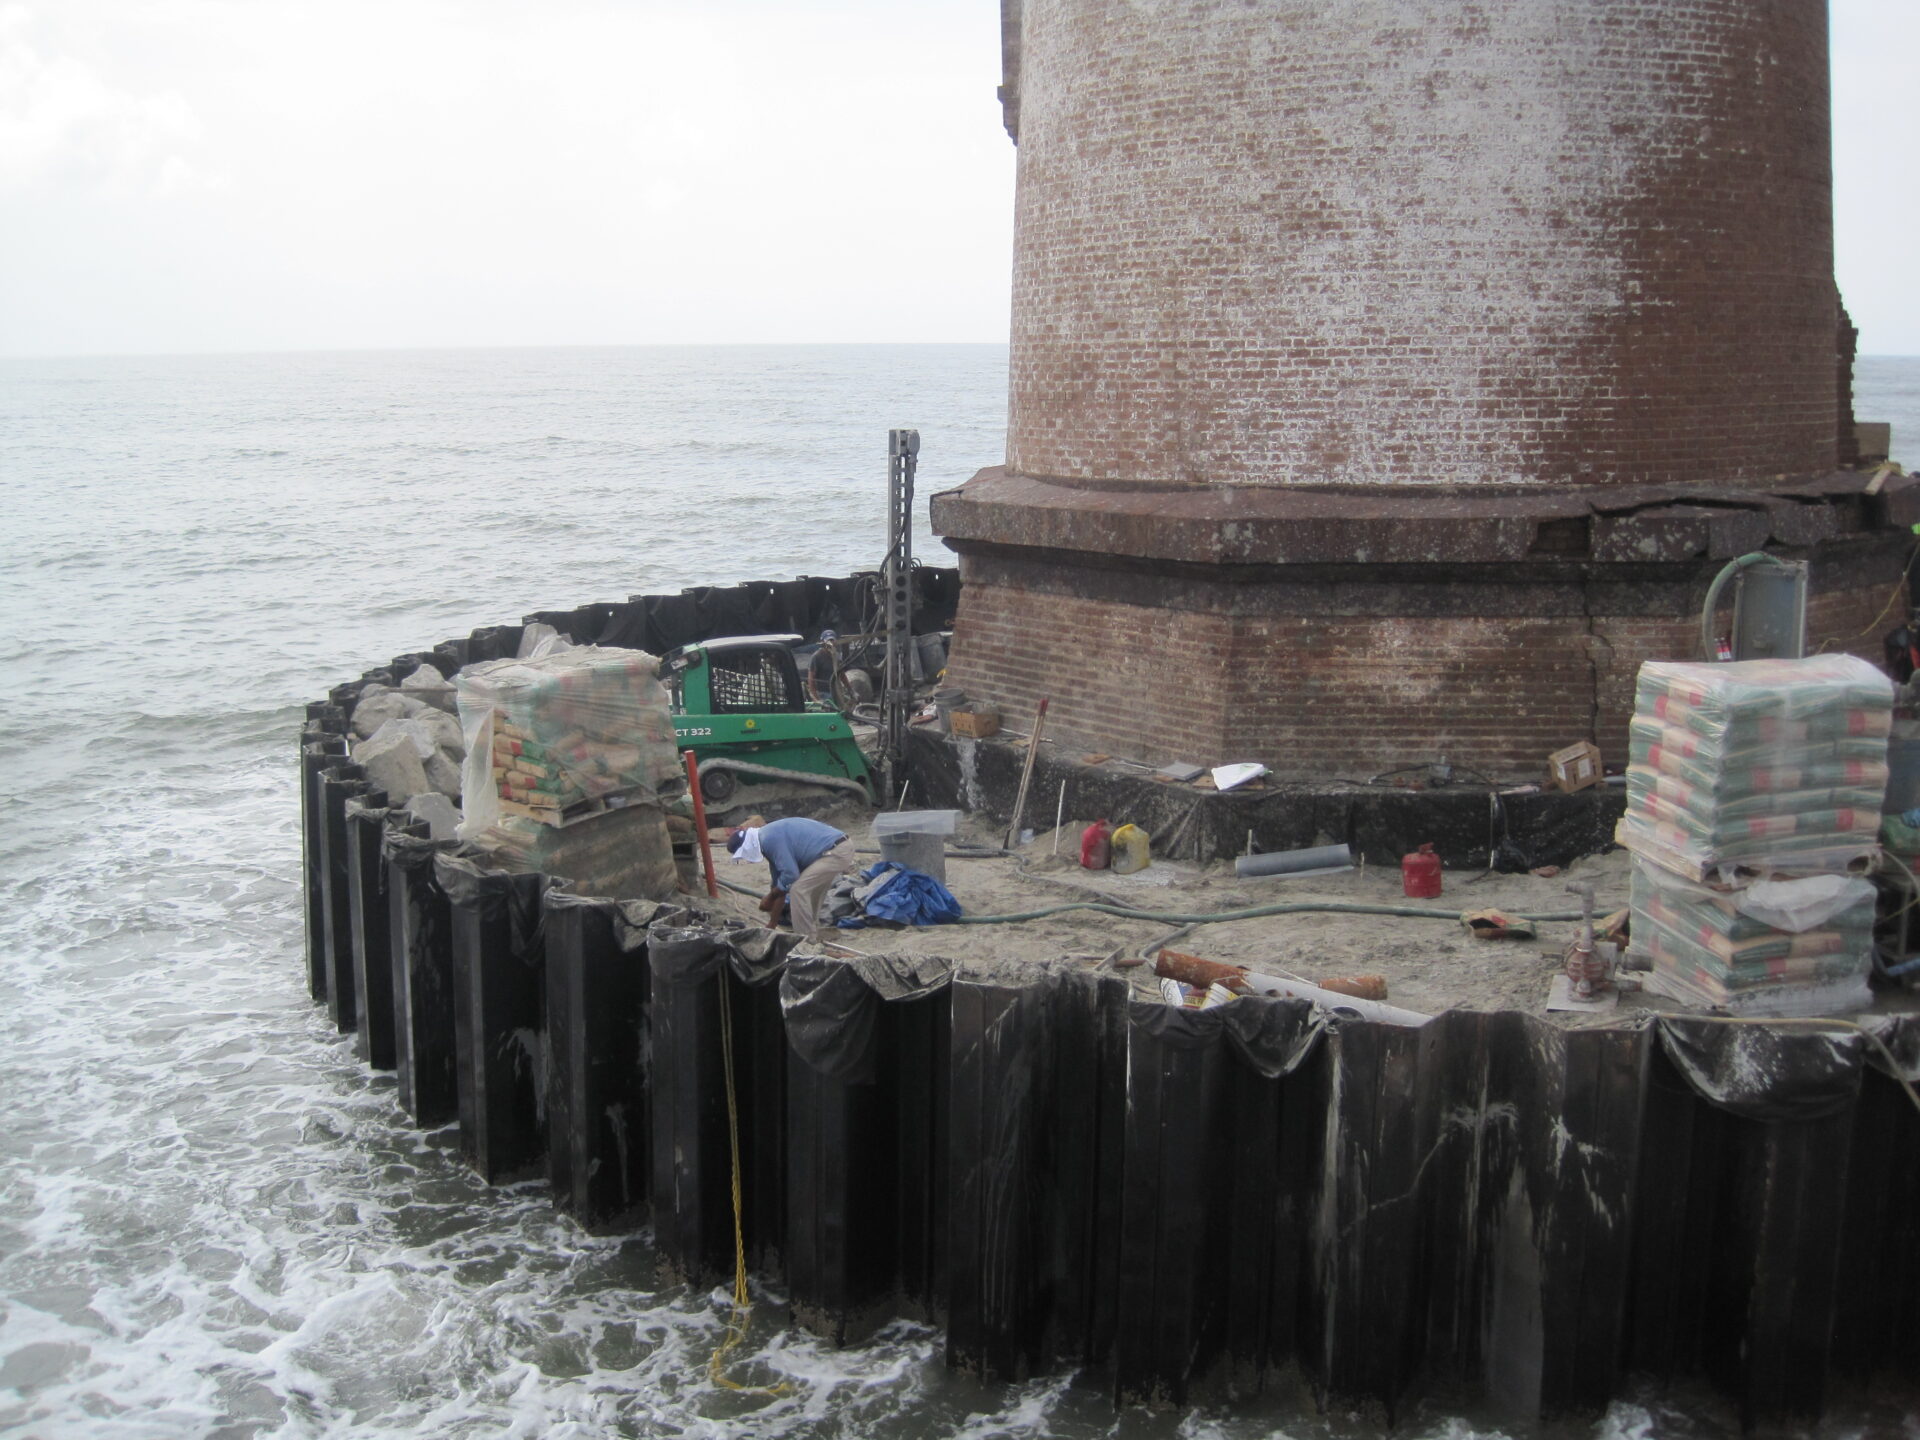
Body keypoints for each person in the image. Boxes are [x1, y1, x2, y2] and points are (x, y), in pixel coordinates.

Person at [726, 815, 855, 940]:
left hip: (835, 850)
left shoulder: (768, 839)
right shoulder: (766, 839)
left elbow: (790, 875)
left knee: (799, 889)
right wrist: (772, 924)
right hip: (832, 849)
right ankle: (813, 931)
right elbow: (780, 887)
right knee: (809, 889)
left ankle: (805, 941)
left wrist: (770, 896)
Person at [805, 630, 838, 704]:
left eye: (832, 640)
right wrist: (816, 698)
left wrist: (851, 690)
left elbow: (841, 673)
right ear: (823, 642)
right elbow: (811, 679)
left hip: (835, 692)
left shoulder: (836, 656)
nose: (830, 643)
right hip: (823, 693)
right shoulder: (816, 657)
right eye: (828, 641)